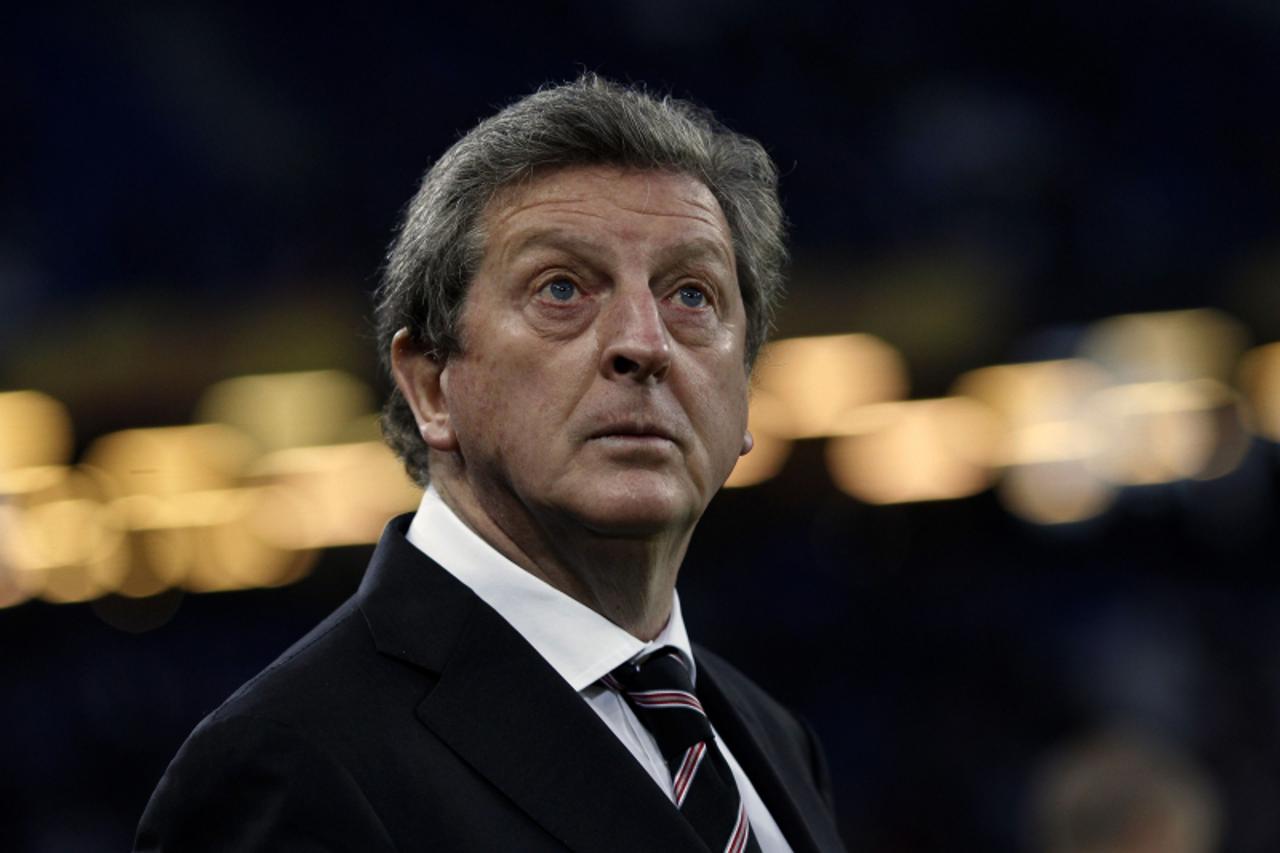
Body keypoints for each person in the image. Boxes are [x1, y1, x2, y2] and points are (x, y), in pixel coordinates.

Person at [135, 74, 847, 853]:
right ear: (433, 386)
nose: (644, 343)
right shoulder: (288, 761)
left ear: (744, 389)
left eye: (692, 295)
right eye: (563, 288)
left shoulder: (776, 741)